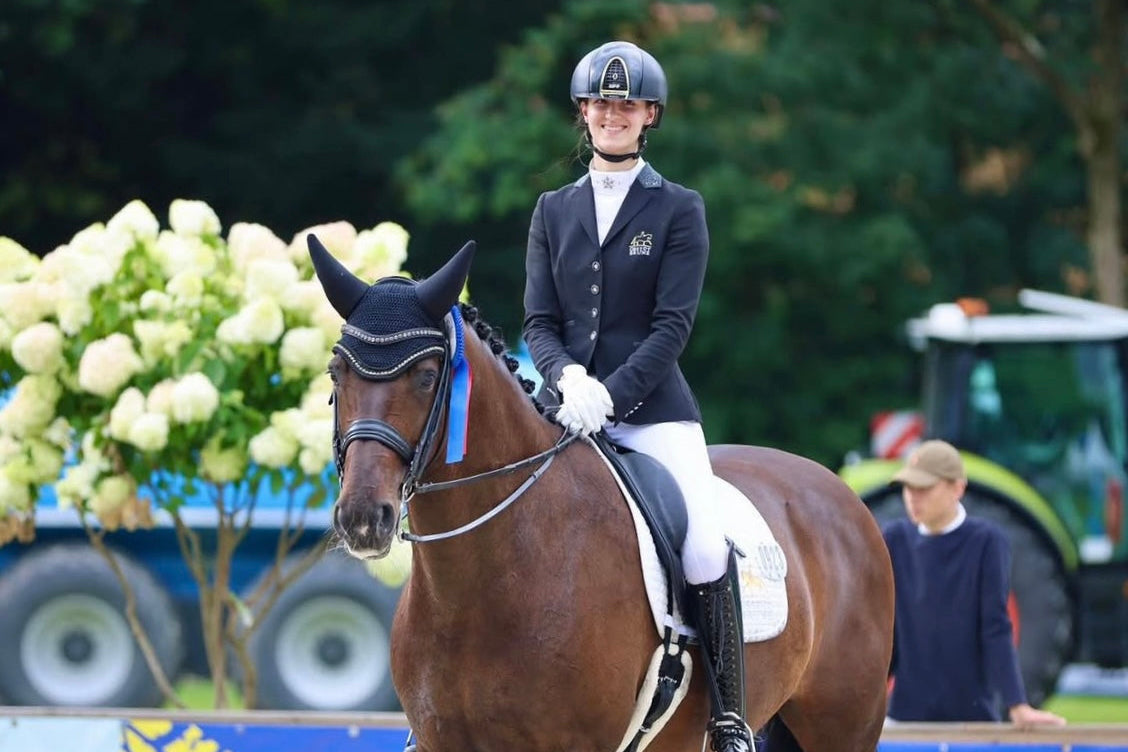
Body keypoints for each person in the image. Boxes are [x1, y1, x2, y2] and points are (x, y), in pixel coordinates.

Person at [521, 40, 752, 752]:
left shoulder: (679, 209)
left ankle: (729, 715)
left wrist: (611, 398)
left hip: (654, 415)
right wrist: (565, 380)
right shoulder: (552, 209)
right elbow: (538, 320)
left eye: (625, 105)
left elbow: (671, 327)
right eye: (600, 103)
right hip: (563, 409)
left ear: (649, 114)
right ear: (582, 113)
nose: (611, 115)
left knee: (707, 547)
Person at [885, 439, 1067, 728]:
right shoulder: (894, 539)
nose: (912, 498)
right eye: (909, 488)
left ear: (957, 487)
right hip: (903, 717)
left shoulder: (986, 541)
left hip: (971, 719)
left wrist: (1017, 706)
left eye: (924, 489)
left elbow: (995, 627)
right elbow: (887, 628)